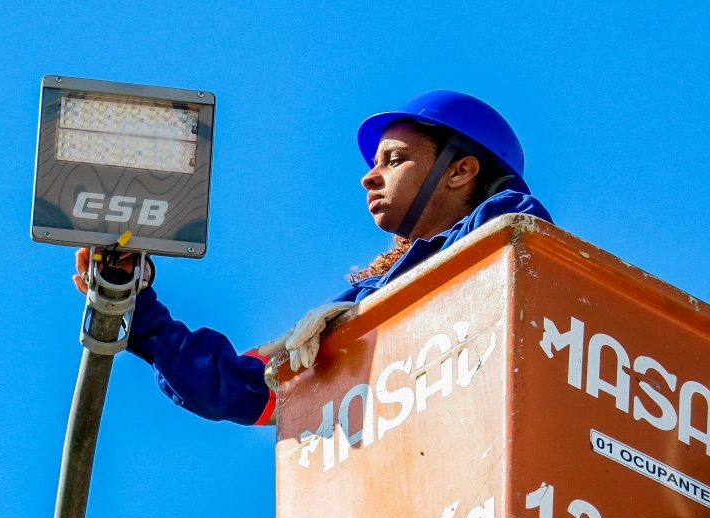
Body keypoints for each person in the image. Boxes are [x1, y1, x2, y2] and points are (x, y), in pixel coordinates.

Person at [73, 90, 552, 426]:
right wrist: (138, 313)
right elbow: (244, 389)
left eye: (394, 160)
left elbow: (513, 230)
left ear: (461, 171)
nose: (370, 177)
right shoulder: (351, 313)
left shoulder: (504, 225)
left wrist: (375, 301)